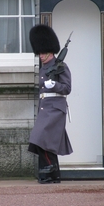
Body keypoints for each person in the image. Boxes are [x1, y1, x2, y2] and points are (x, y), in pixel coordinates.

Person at [28, 24, 73, 184]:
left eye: (43, 52)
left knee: (41, 138)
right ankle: (52, 175)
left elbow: (67, 88)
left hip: (56, 108)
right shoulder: (44, 68)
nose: (40, 55)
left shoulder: (61, 66)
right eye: (39, 53)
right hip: (45, 107)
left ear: (51, 51)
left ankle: (50, 171)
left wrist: (53, 85)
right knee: (46, 141)